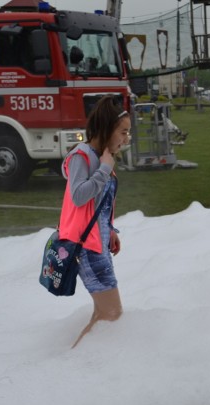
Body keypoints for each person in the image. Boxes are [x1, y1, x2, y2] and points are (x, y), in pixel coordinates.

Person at [58, 95, 131, 348]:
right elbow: (78, 196)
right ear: (107, 127)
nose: (126, 138)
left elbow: (98, 204)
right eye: (123, 132)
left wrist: (110, 229)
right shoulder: (83, 156)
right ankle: (78, 366)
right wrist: (104, 168)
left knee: (104, 313)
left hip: (97, 243)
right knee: (112, 314)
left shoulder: (100, 156)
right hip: (87, 248)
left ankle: (79, 362)